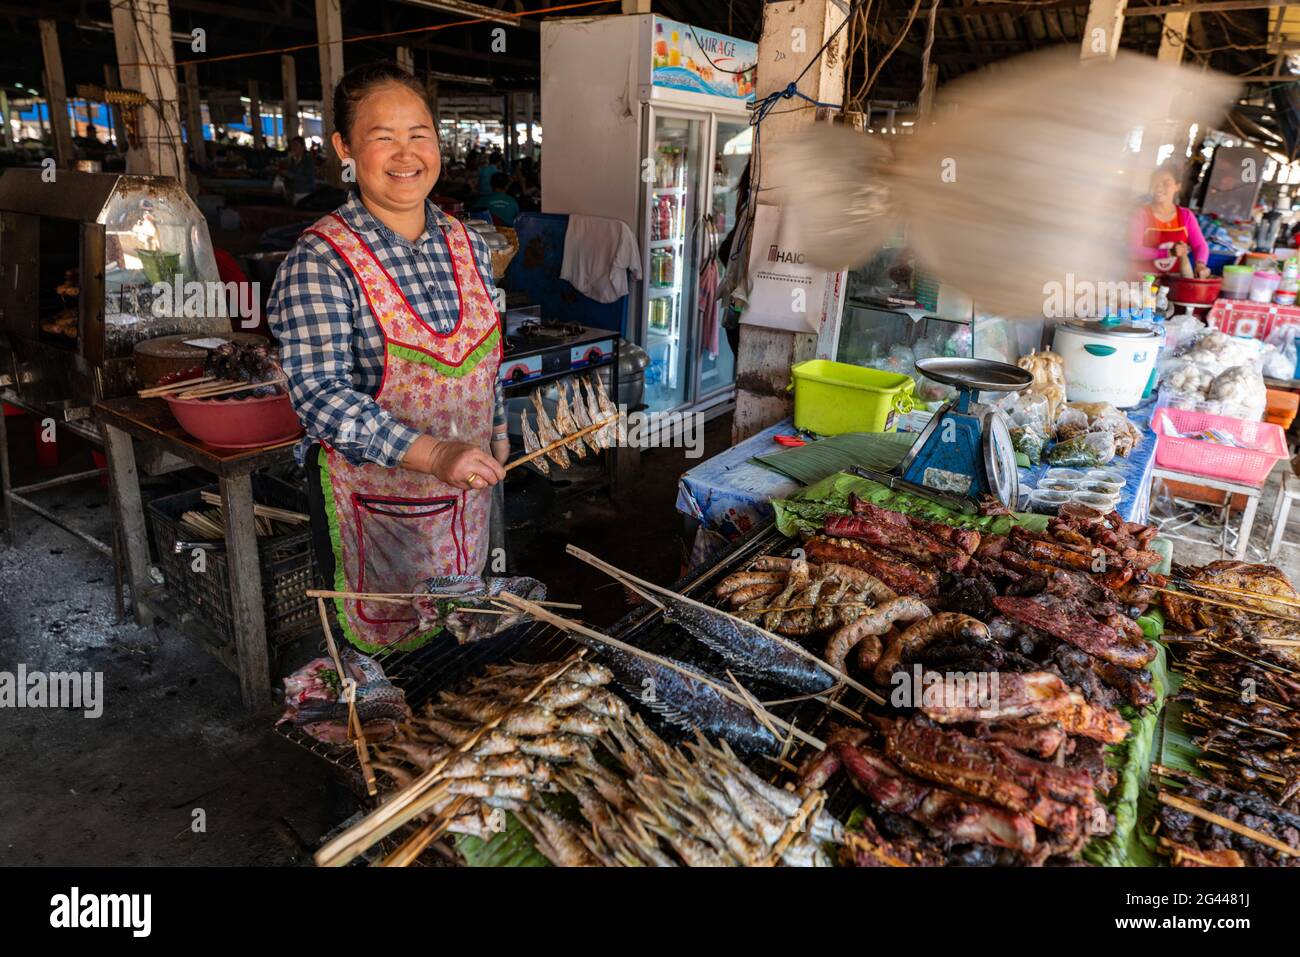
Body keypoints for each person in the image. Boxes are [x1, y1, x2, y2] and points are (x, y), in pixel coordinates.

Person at [268, 61, 508, 653]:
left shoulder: (467, 241)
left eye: (419, 133)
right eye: (383, 137)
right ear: (345, 148)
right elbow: (318, 396)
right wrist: (433, 452)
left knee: (461, 650)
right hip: (373, 514)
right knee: (393, 674)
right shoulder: (320, 259)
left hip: (467, 502)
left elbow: (485, 355)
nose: (406, 154)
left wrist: (495, 427)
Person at [1130, 163, 1210, 278]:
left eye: (1166, 183)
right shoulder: (1141, 214)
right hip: (1142, 282)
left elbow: (1200, 245)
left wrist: (1201, 264)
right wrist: (1168, 253)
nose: (1159, 187)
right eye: (1155, 182)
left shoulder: (1185, 216)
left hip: (1174, 283)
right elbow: (1133, 251)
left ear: (1177, 186)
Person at [285, 136, 316, 205]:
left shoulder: (308, 161)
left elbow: (306, 177)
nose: (293, 148)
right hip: (295, 193)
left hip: (306, 194)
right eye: (292, 145)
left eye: (296, 145)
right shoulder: (293, 160)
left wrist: (288, 174)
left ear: (302, 147)